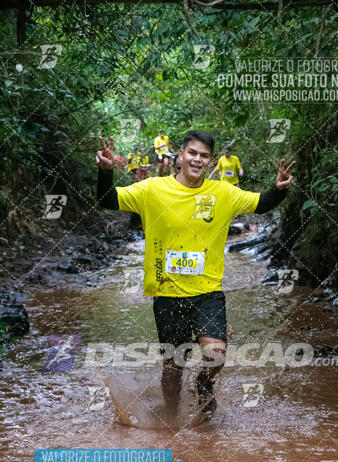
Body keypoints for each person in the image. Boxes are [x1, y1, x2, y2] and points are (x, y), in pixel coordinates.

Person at [96, 130, 294, 422]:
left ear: (210, 161)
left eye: (203, 156)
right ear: (181, 154)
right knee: (174, 367)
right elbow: (107, 199)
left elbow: (261, 203)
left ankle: (204, 384)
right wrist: (105, 172)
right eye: (192, 153)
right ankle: (172, 417)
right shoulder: (152, 189)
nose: (197, 159)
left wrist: (279, 190)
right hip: (167, 293)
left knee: (216, 352)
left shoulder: (223, 193)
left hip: (207, 292)